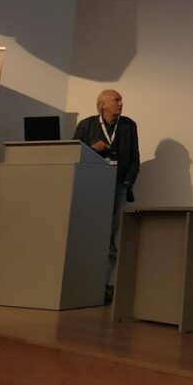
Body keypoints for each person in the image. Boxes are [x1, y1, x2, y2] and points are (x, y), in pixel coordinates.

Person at [73, 89, 140, 303]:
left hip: (118, 188)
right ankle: (84, 284)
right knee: (89, 235)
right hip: (91, 188)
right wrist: (93, 148)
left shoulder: (128, 125)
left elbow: (135, 158)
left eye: (121, 100)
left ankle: (104, 286)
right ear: (104, 105)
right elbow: (74, 153)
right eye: (116, 100)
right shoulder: (86, 125)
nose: (121, 103)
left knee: (110, 237)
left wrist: (126, 184)